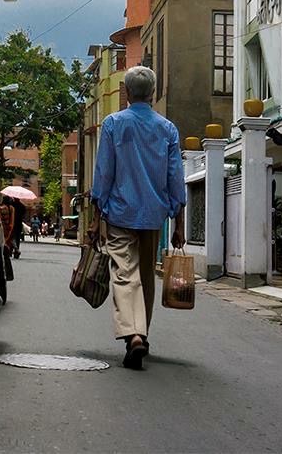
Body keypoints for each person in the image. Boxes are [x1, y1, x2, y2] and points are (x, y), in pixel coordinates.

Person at [88, 65, 186, 370]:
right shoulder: (167, 129)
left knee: (124, 274)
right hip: (153, 214)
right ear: (153, 93)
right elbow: (175, 177)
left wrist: (96, 215)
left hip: (120, 212)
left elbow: (104, 171)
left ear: (126, 93)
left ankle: (133, 335)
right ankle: (142, 333)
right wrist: (179, 221)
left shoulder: (114, 124)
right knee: (145, 277)